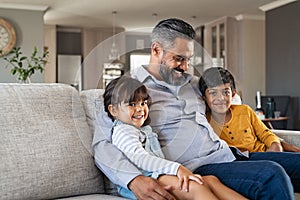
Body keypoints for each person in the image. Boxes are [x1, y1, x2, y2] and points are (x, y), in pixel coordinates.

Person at [93, 18, 298, 200]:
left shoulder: (195, 84)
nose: (185, 66)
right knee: (270, 175)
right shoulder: (126, 91)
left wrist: (274, 140)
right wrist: (133, 179)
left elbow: (233, 107)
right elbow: (101, 145)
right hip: (197, 167)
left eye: (188, 59)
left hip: (231, 154)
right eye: (179, 58)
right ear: (156, 50)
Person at [103, 76, 248, 200]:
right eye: (132, 104)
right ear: (113, 110)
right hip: (147, 178)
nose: (140, 108)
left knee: (211, 180)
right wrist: (177, 168)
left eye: (143, 103)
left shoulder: (140, 129)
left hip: (158, 174)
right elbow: (141, 159)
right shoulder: (123, 132)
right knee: (196, 187)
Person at [198, 67, 300, 153]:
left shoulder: (245, 111)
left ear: (233, 94)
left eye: (226, 92)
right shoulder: (205, 122)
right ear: (204, 98)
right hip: (247, 162)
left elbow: (265, 133)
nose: (221, 98)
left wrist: (275, 144)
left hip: (265, 153)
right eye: (213, 93)